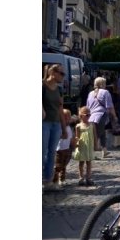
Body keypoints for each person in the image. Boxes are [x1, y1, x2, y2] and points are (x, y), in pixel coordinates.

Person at [42, 64, 68, 192]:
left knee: (52, 153)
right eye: (62, 73)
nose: (63, 76)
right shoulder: (42, 86)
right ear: (53, 73)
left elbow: (60, 109)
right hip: (44, 123)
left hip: (56, 124)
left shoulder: (59, 89)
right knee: (41, 153)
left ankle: (48, 181)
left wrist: (64, 128)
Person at [87, 77, 120, 159]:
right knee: (97, 134)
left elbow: (88, 106)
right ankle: (91, 153)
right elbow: (110, 106)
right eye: (105, 83)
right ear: (102, 84)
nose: (106, 85)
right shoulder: (105, 92)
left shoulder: (90, 93)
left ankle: (104, 150)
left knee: (102, 133)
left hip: (91, 116)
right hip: (101, 115)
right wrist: (115, 116)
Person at [72, 107, 97, 186]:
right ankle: (81, 177)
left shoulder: (92, 125)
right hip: (82, 146)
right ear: (81, 116)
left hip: (89, 146)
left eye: (89, 115)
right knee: (81, 162)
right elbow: (77, 137)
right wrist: (76, 143)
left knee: (89, 162)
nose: (88, 116)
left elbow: (95, 136)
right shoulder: (78, 126)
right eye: (87, 115)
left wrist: (96, 145)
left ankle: (88, 177)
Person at [53, 109, 76, 187]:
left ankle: (62, 179)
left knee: (64, 165)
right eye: (65, 117)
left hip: (67, 148)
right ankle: (55, 181)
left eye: (68, 117)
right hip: (59, 149)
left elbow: (71, 138)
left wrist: (74, 145)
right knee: (58, 165)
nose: (67, 119)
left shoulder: (69, 127)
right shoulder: (59, 127)